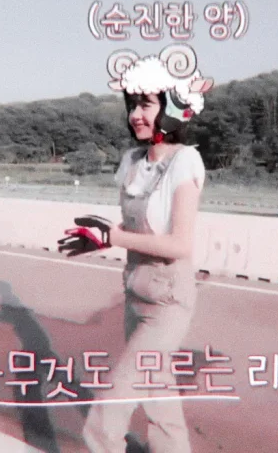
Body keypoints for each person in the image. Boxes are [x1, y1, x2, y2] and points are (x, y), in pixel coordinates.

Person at [79, 45, 214, 453]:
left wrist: (114, 237)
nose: (136, 114)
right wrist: (98, 237)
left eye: (147, 104)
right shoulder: (132, 161)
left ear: (171, 108)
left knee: (108, 411)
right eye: (132, 105)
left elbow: (179, 244)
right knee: (159, 397)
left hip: (168, 302)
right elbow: (133, 227)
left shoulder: (185, 162)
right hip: (135, 293)